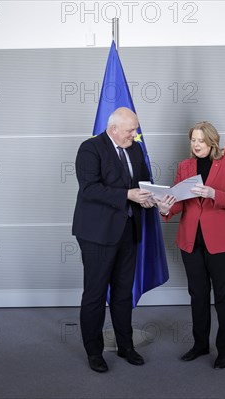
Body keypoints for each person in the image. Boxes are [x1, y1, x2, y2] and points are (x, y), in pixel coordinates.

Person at [156, 121, 225, 369]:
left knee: (224, 297)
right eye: (193, 140)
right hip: (191, 241)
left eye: (201, 141)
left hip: (221, 242)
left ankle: (224, 350)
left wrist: (213, 194)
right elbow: (178, 202)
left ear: (212, 142)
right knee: (198, 295)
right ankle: (200, 345)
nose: (196, 145)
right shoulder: (184, 166)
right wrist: (165, 209)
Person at [72, 107, 154, 373]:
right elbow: (90, 188)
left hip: (128, 231)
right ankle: (94, 352)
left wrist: (154, 197)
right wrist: (127, 195)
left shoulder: (135, 149)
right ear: (113, 129)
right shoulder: (90, 149)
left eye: (136, 129)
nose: (135, 134)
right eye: (131, 130)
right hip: (97, 235)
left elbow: (143, 183)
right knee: (95, 295)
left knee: (122, 294)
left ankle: (126, 346)